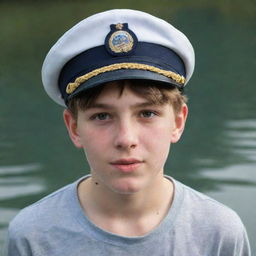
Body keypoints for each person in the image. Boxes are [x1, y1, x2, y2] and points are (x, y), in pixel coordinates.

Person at [6, 9, 251, 256]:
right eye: (102, 116)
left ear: (177, 122)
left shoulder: (218, 233)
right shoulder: (33, 236)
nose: (126, 139)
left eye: (147, 114)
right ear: (74, 127)